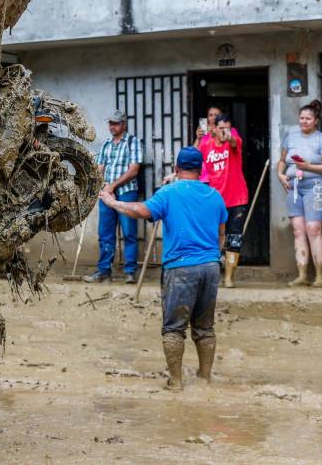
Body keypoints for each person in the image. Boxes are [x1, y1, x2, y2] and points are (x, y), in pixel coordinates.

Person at [100, 147, 226, 391]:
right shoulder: (215, 196)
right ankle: (204, 379)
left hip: (181, 268)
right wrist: (213, 257)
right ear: (201, 170)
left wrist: (113, 202)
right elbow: (221, 235)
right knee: (205, 327)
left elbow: (142, 211)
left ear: (177, 169)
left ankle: (176, 382)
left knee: (174, 328)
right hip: (211, 267)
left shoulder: (169, 192)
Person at [277, 100, 322, 287]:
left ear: (316, 121)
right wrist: (280, 175)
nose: (304, 121)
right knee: (298, 230)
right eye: (301, 118)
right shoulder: (291, 137)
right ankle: (302, 275)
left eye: (308, 118)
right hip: (294, 186)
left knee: (313, 228)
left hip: (316, 185)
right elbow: (282, 160)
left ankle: (320, 276)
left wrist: (308, 166)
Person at [85, 110, 142, 284]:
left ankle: (130, 271)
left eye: (116, 123)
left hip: (126, 193)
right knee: (105, 234)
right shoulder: (106, 144)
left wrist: (113, 186)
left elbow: (134, 170)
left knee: (129, 233)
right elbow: (99, 168)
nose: (112, 126)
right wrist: (103, 186)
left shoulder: (133, 142)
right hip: (107, 192)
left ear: (124, 124)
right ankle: (104, 271)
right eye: (110, 123)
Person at [198, 113, 249, 288]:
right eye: (221, 128)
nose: (224, 132)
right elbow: (195, 161)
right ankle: (211, 275)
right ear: (214, 128)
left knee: (234, 239)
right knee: (212, 237)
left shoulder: (235, 141)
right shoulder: (207, 144)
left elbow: (234, 142)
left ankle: (229, 277)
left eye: (227, 128)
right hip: (213, 198)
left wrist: (229, 136)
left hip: (236, 197)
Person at [194, 105, 240, 184]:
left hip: (224, 178)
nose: (213, 117)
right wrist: (198, 138)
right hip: (204, 178)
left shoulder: (230, 130)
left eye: (216, 115)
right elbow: (194, 154)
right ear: (207, 118)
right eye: (210, 115)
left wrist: (217, 132)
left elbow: (232, 142)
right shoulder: (204, 133)